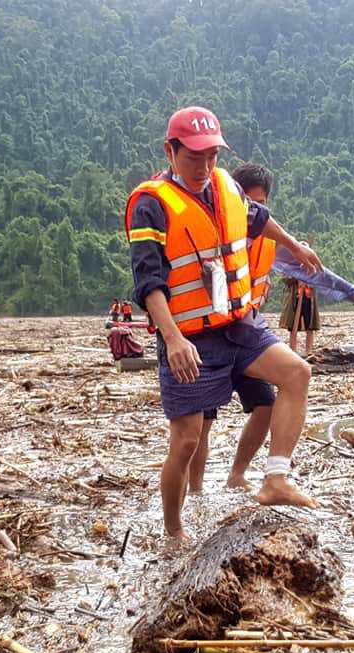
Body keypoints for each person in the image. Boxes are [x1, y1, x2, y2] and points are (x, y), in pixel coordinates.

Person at [127, 106, 327, 544]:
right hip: (191, 337)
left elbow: (258, 219)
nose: (204, 167)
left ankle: (275, 479)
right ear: (170, 150)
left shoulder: (226, 186)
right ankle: (175, 534)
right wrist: (173, 337)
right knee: (186, 441)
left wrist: (296, 247)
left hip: (238, 325)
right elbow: (149, 281)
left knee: (297, 372)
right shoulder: (150, 204)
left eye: (212, 156)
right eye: (194, 157)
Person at [187, 163, 354, 494]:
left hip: (245, 333)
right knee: (201, 424)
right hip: (208, 336)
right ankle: (196, 493)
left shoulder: (270, 242)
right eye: (246, 202)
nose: (251, 213)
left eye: (258, 205)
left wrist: (352, 292)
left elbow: (313, 269)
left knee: (266, 404)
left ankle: (240, 476)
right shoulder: (209, 232)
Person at [280, 276, 319, 355]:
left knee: (310, 327)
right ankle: (292, 352)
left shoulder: (312, 268)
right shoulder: (290, 267)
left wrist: (307, 280)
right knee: (293, 327)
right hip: (295, 299)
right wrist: (297, 278)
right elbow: (285, 279)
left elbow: (318, 279)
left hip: (309, 299)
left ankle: (308, 352)